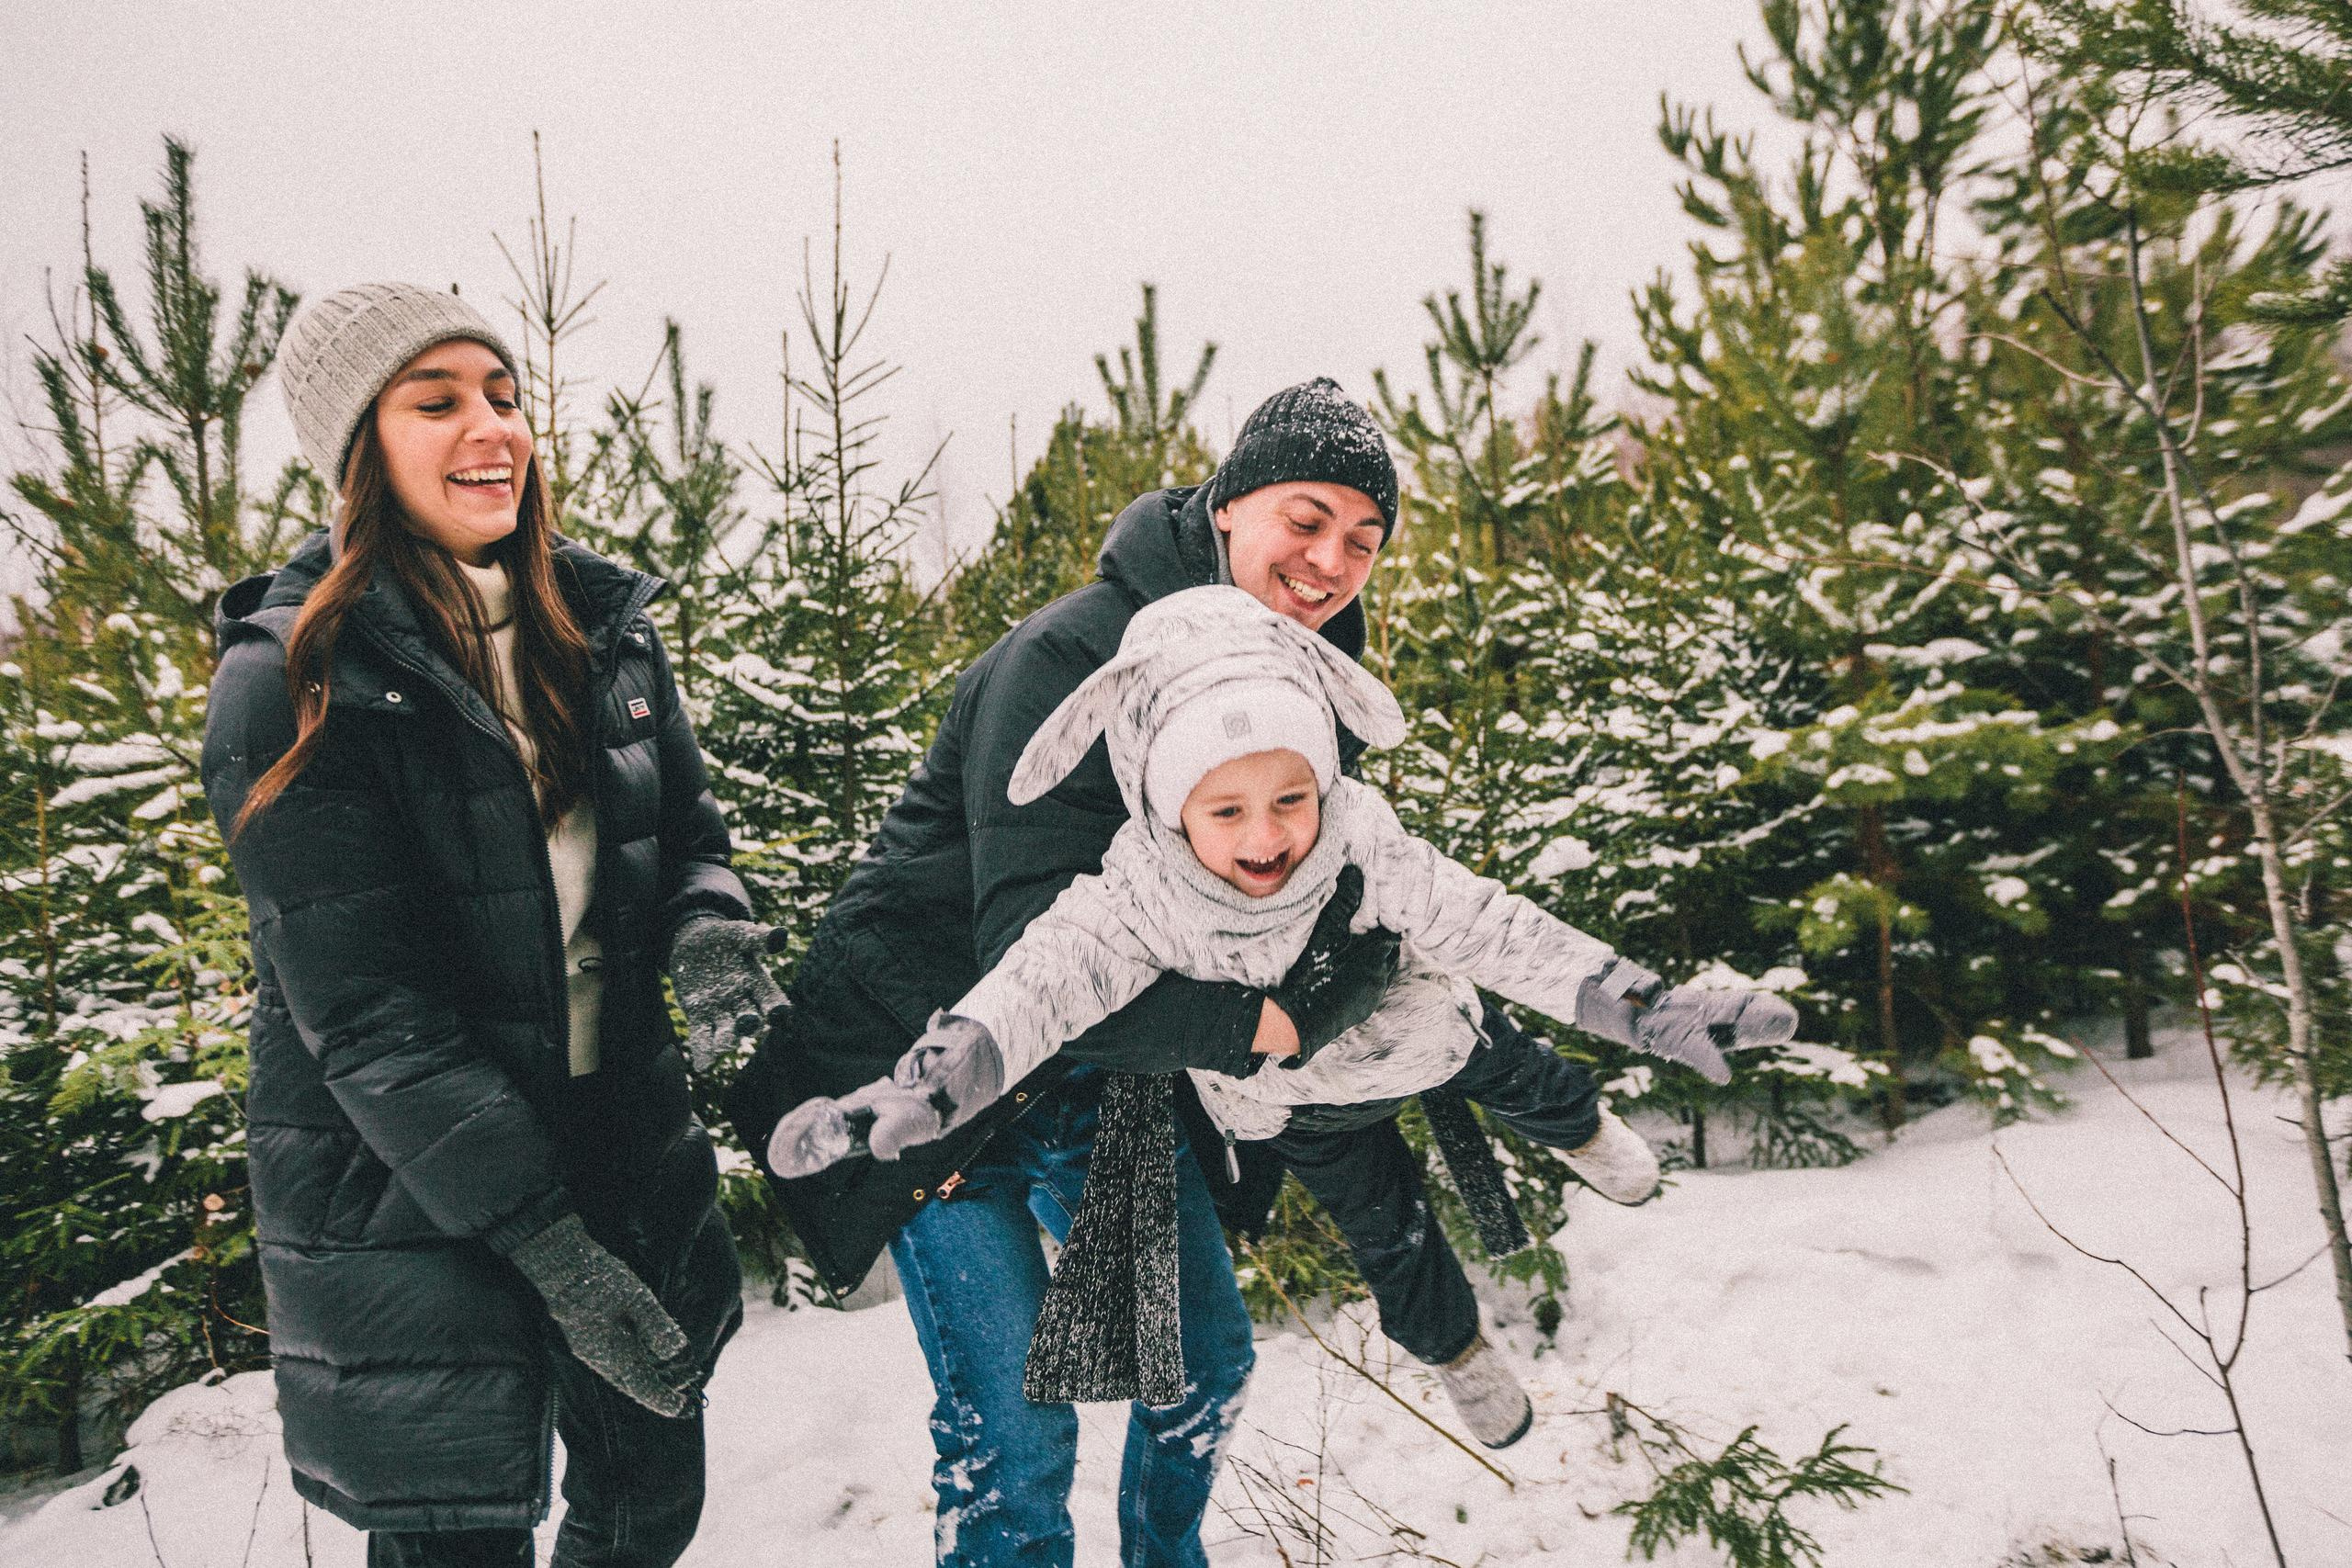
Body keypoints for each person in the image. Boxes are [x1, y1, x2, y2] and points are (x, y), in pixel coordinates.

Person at [769, 584, 1798, 1447]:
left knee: (1510, 1064)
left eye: (1290, 799)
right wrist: (928, 1082)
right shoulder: (1136, 894)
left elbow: (1492, 923)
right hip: (1299, 1100)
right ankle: (1459, 1354)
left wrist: (1646, 1006)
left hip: (1418, 1028)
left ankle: (1583, 1131)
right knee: (1383, 1226)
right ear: (1169, 806)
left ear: (1324, 782)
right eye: (1226, 811)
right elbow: (1037, 984)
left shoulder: (1358, 835)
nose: (1267, 838)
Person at [728, 378, 1442, 1567]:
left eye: (1364, 539)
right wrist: (1259, 1022)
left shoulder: (1292, 692)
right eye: (1305, 519)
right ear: (1228, 508)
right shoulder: (1072, 655)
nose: (1332, 560)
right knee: (1015, 1426)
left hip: (1093, 1066)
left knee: (1204, 1363)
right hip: (921, 1067)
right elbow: (1032, 948)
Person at [201, 283, 787, 1568]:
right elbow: (365, 1012)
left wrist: (706, 929)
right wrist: (547, 1247)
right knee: (457, 1536)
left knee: (648, 1496)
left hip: (615, 1134)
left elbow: (687, 835)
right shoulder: (296, 674)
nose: (493, 427)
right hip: (418, 1176)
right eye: (438, 400)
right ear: (360, 449)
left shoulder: (603, 627)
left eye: (505, 396)